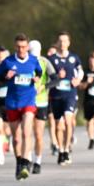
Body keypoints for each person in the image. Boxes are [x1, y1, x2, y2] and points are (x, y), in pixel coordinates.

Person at [0, 34, 42, 180]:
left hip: (28, 101)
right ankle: (19, 162)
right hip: (12, 102)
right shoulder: (8, 61)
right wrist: (5, 77)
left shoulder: (33, 60)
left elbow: (39, 72)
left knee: (27, 132)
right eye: (18, 47)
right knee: (16, 139)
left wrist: (37, 78)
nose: (21, 49)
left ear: (27, 47)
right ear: (15, 47)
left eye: (24, 47)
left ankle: (26, 162)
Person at [48, 32, 82, 166]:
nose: (62, 44)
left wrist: (78, 79)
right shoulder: (51, 59)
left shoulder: (74, 58)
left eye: (65, 41)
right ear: (57, 43)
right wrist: (57, 75)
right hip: (56, 95)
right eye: (60, 41)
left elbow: (80, 70)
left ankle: (67, 149)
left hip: (70, 94)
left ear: (69, 43)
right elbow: (48, 76)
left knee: (68, 121)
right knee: (58, 125)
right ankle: (61, 150)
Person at [29, 39, 56, 175]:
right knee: (26, 133)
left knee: (38, 134)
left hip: (41, 102)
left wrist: (44, 87)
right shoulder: (25, 61)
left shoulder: (45, 62)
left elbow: (55, 79)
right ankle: (27, 159)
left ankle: (37, 162)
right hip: (27, 102)